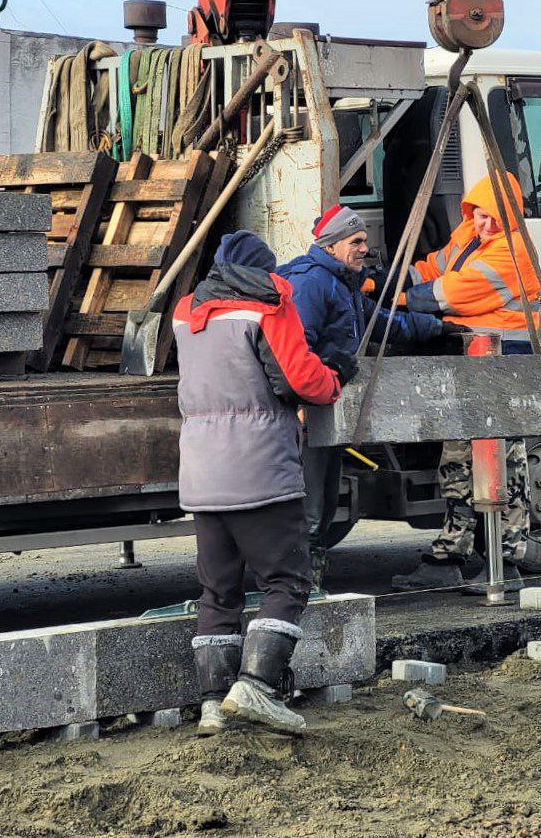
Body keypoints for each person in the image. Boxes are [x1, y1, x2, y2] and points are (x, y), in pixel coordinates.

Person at [174, 230, 345, 738]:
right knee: (287, 582)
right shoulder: (270, 305)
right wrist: (335, 377)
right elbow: (297, 379)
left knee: (218, 592)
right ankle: (256, 686)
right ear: (265, 270)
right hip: (259, 469)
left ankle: (212, 703)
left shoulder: (187, 312)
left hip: (202, 473)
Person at [278, 204, 452, 591]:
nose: (364, 249)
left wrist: (437, 327)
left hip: (327, 407)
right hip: (311, 409)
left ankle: (305, 583)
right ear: (334, 244)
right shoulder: (312, 283)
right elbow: (296, 348)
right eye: (356, 241)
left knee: (320, 502)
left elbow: (383, 323)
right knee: (310, 504)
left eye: (364, 242)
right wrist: (301, 402)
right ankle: (296, 587)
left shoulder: (340, 283)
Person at [390, 172, 541, 594]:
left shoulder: (513, 253)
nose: (486, 224)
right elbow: (429, 268)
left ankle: (506, 559)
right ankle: (450, 554)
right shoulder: (467, 241)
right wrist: (394, 277)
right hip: (469, 360)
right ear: (470, 211)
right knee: (457, 457)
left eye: (494, 218)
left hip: (502, 365)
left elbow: (450, 293)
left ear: (509, 218)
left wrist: (391, 295)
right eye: (480, 215)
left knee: (503, 459)